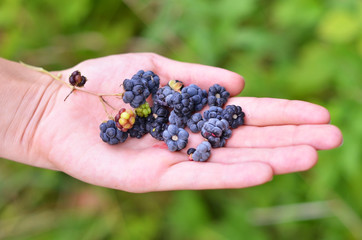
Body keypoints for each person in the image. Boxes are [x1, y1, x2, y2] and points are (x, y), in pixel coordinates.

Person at [0, 53, 343, 193]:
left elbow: (189, 115)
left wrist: (35, 107)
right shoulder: (149, 111)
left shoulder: (184, 114)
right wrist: (35, 109)